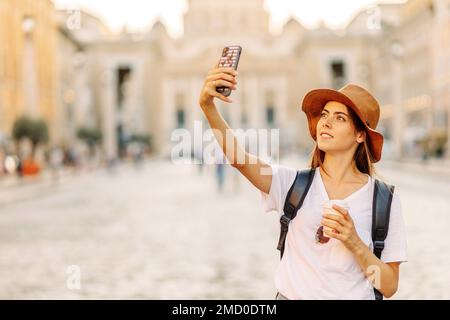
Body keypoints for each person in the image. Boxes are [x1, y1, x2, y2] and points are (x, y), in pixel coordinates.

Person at [198, 64, 407, 300]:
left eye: (339, 118)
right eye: (324, 115)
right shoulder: (292, 184)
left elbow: (388, 286)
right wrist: (208, 107)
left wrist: (354, 242)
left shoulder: (384, 201)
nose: (326, 123)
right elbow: (239, 159)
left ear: (361, 135)